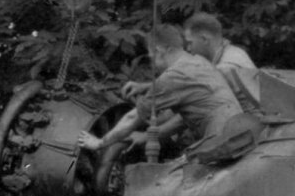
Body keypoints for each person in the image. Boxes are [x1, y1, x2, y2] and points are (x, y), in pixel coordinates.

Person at [83, 23, 243, 168]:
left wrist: (99, 143)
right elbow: (181, 120)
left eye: (151, 56)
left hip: (219, 141)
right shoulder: (199, 62)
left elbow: (132, 118)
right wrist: (147, 136)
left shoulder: (172, 77)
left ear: (159, 51)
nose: (152, 62)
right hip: (239, 132)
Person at [184, 11, 261, 112]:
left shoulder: (224, 69)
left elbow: (199, 109)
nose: (188, 49)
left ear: (204, 39)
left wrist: (161, 128)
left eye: (190, 43)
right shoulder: (235, 51)